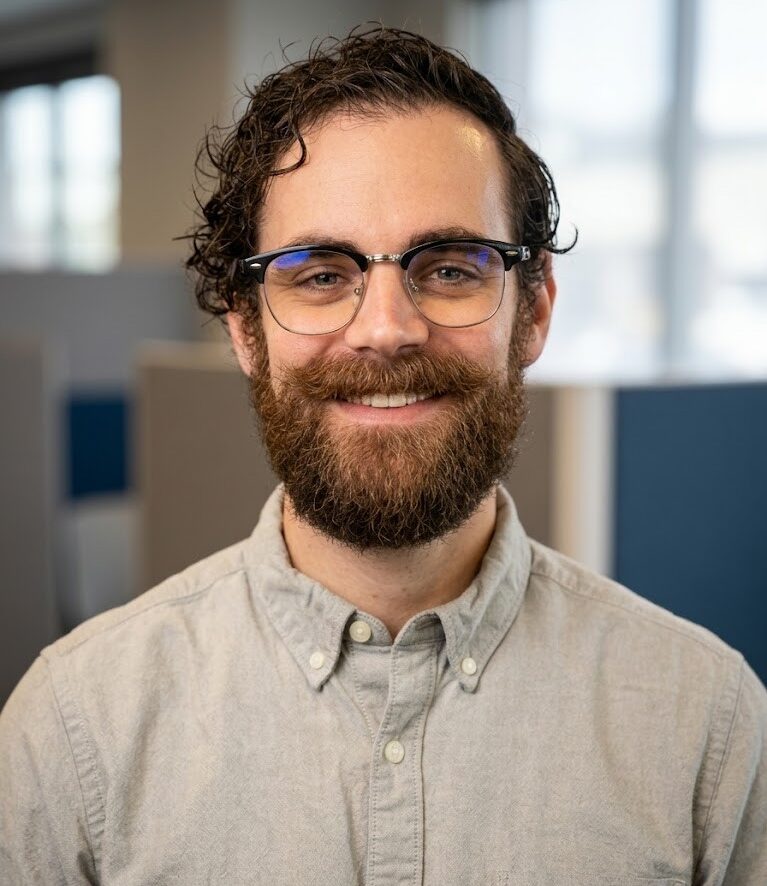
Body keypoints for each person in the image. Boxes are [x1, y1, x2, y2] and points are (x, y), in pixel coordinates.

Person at [1, 26, 765, 886]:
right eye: (319, 273)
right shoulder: (74, 727)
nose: (386, 329)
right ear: (245, 328)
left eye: (449, 267)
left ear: (535, 310)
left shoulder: (706, 722)